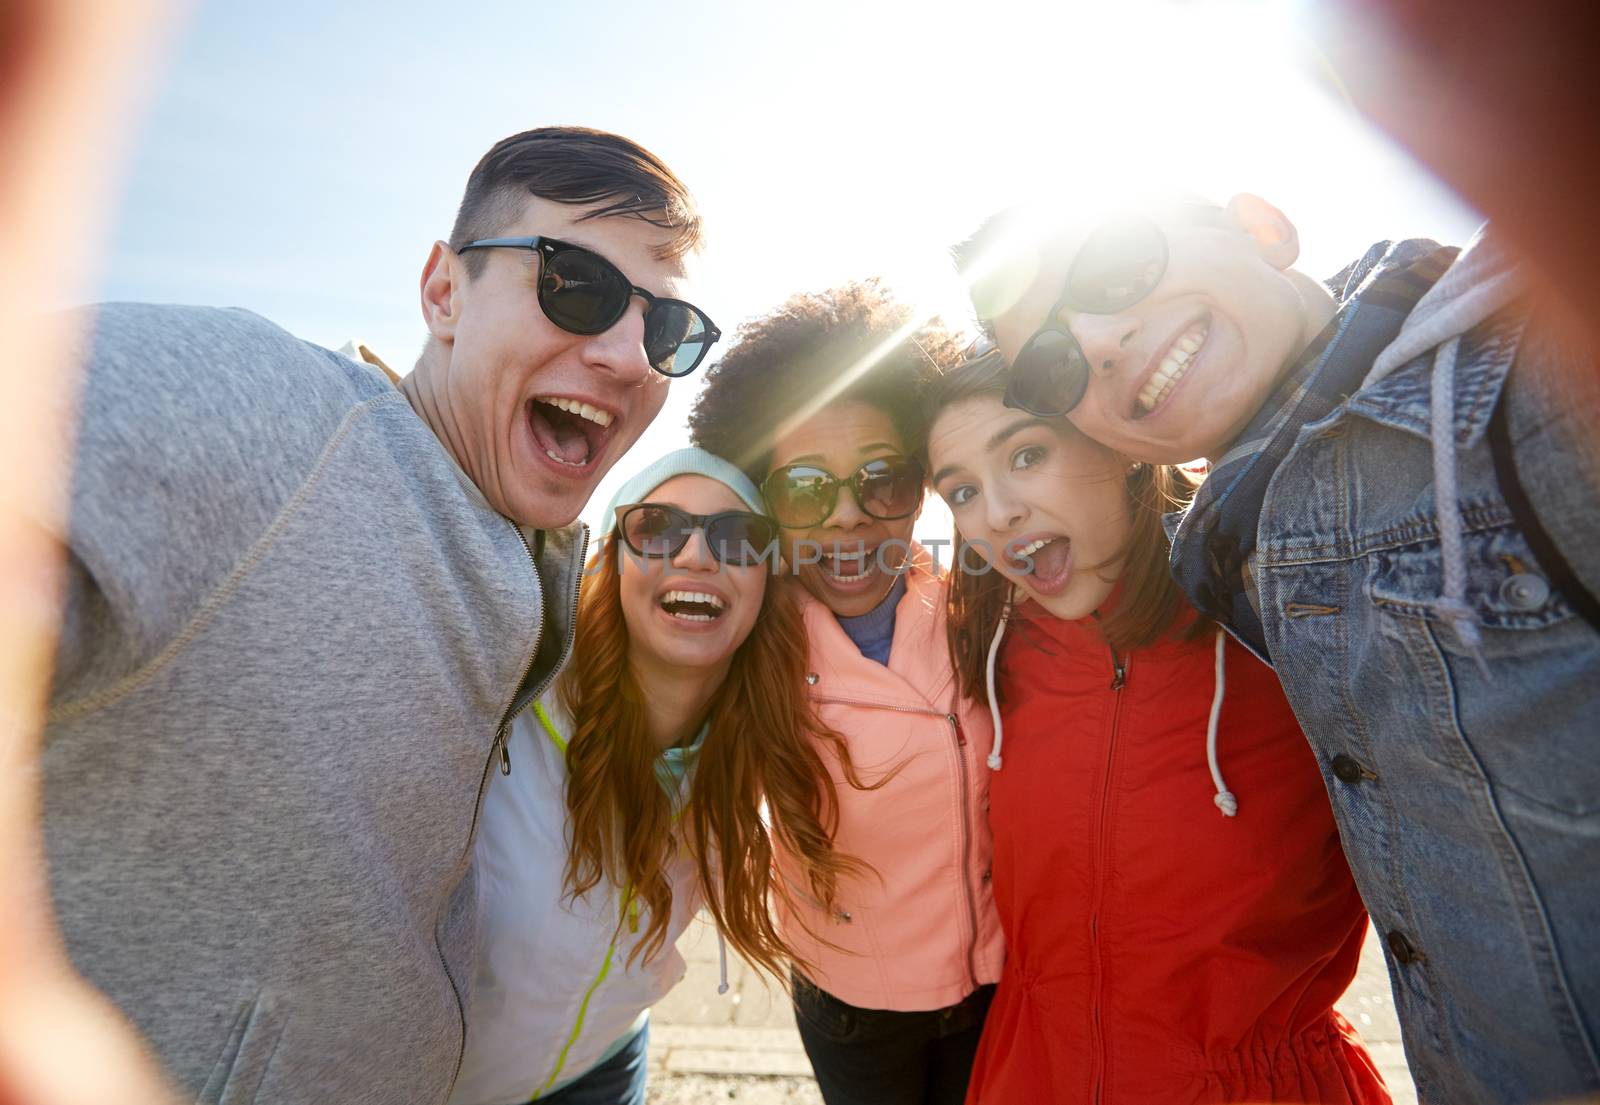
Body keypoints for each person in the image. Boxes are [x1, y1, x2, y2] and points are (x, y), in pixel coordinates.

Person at [42, 126, 717, 1104]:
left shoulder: (531, 570)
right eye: (576, 284)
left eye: (669, 330)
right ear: (443, 291)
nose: (623, 354)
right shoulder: (269, 410)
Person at [956, 197, 1600, 1102]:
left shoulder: (1534, 356)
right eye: (1055, 364)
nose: (1098, 342)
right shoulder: (1234, 554)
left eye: (1113, 270)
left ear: (1261, 228)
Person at [921, 349, 1389, 1104]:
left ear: (1124, 448)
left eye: (1028, 454)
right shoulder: (985, 648)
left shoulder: (1293, 627)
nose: (996, 511)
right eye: (962, 490)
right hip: (1026, 1078)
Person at [452, 447, 865, 1105]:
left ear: (767, 581)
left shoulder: (758, 743)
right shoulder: (514, 700)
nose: (697, 555)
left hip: (604, 1068)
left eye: (737, 537)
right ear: (613, 559)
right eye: (657, 527)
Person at [688, 283, 1003, 1105]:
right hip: (853, 1009)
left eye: (883, 478)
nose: (851, 516)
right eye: (804, 488)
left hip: (1004, 987)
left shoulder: (988, 612)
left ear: (923, 482)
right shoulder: (738, 644)